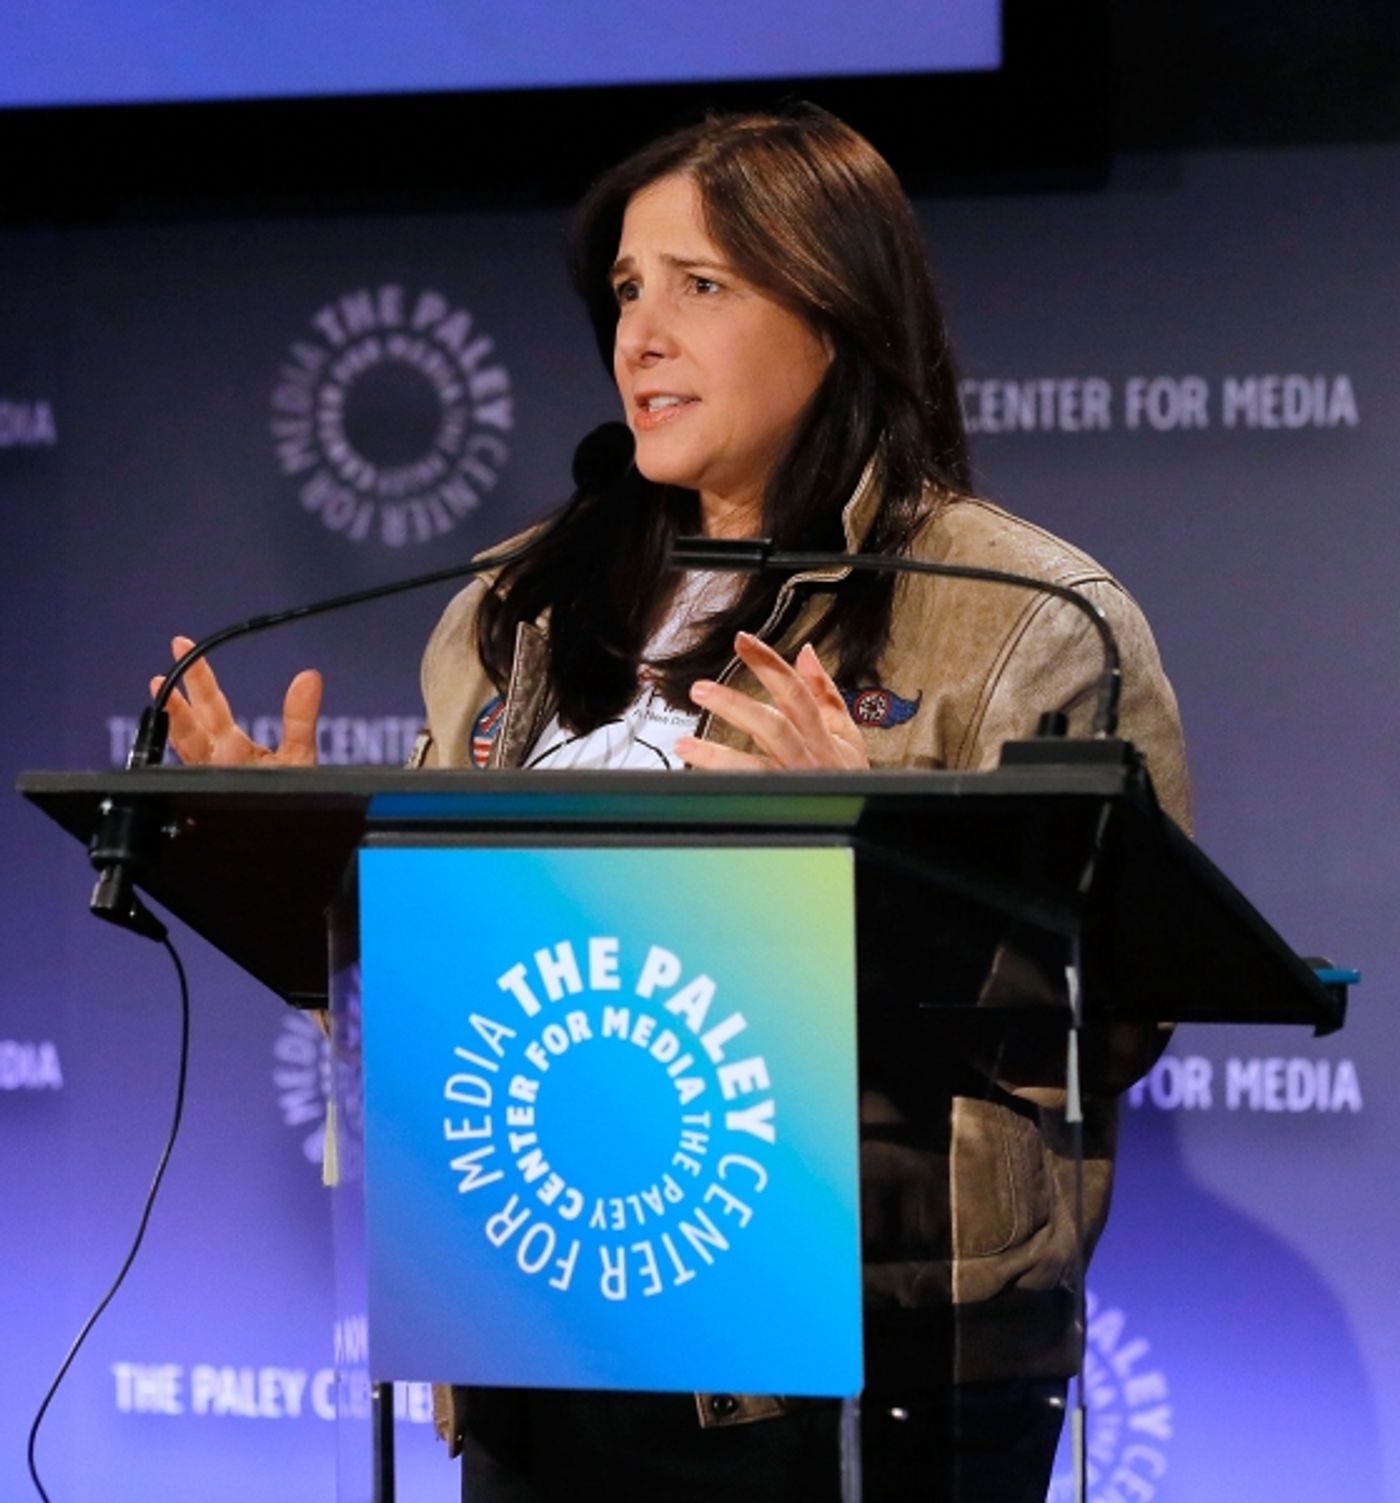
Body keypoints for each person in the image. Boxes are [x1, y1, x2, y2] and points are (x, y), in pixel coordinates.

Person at [159, 106, 1188, 1503]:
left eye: (700, 286)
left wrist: (871, 849)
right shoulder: (514, 605)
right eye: (628, 290)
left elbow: (1110, 1013)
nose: (639, 336)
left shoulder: (1020, 616)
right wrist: (300, 868)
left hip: (867, 1360)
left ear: (836, 312)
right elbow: (463, 973)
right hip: (538, 1314)